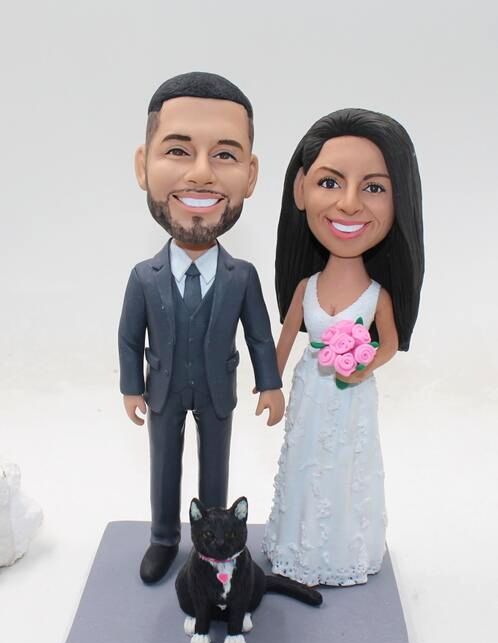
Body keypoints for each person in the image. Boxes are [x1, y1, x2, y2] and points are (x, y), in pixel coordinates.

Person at [119, 72, 284, 584]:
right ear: (143, 165)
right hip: (163, 390)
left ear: (250, 175)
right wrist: (131, 388)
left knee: (216, 472)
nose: (200, 174)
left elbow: (259, 335)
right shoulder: (144, 277)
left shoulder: (242, 276)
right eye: (177, 150)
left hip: (217, 391)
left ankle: (215, 545)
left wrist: (270, 383)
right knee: (163, 467)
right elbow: (129, 338)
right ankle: (164, 538)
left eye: (225, 155)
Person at [262, 109, 424, 586]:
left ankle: (341, 551)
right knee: (304, 464)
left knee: (345, 470)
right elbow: (285, 339)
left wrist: (364, 365)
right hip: (310, 392)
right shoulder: (305, 287)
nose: (349, 204)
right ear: (301, 189)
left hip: (351, 398)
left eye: (374, 187)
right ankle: (297, 543)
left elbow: (389, 343)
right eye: (330, 183)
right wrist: (270, 386)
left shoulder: (377, 295)